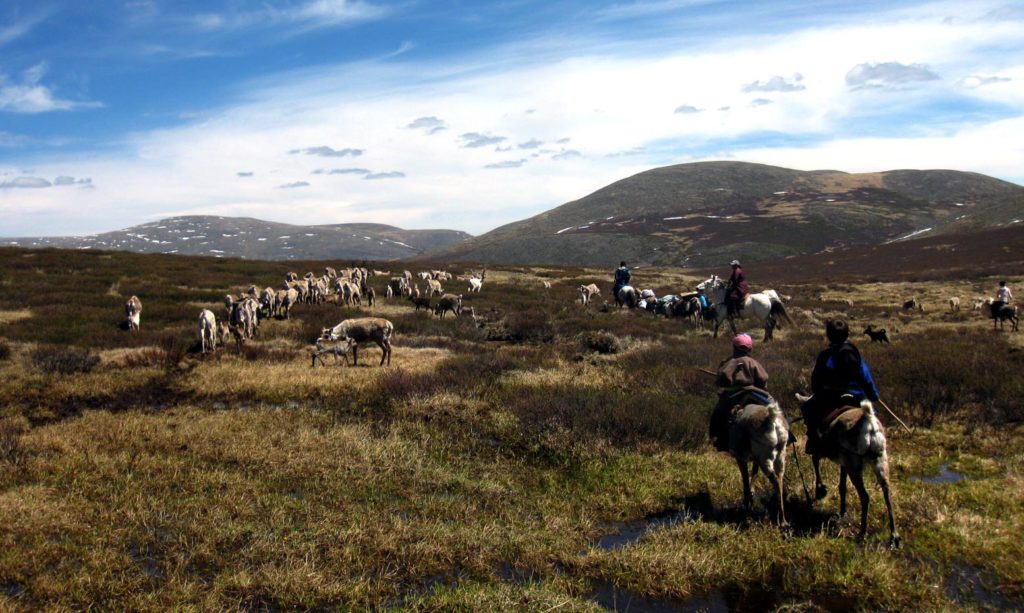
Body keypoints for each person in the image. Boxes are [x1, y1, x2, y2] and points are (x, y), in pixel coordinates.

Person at [800, 319, 881, 455]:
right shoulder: (855, 354)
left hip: (831, 397)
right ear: (847, 334)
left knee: (807, 409)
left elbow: (816, 380)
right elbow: (865, 376)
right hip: (857, 395)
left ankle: (814, 444)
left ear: (828, 335)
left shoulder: (826, 355)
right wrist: (874, 395)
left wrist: (818, 390)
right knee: (872, 416)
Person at [709, 333, 772, 452]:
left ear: (734, 347)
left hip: (734, 396)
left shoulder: (728, 362)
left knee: (718, 413)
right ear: (750, 348)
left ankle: (720, 440)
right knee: (775, 408)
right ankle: (787, 431)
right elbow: (763, 379)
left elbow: (722, 381)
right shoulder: (754, 362)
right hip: (756, 394)